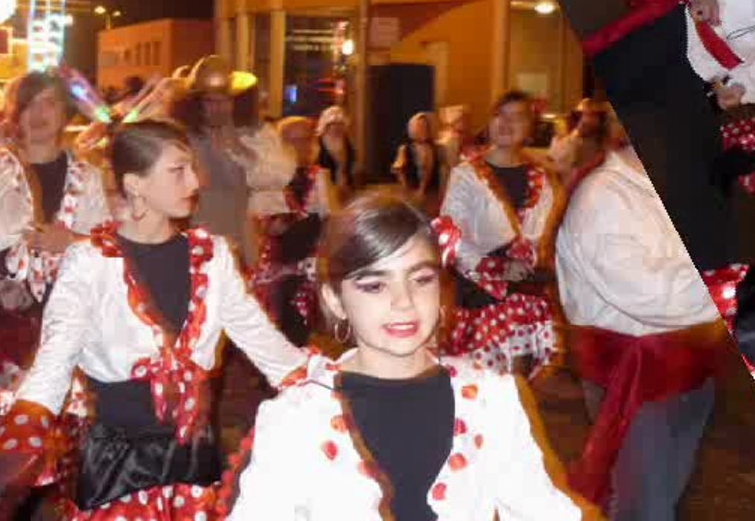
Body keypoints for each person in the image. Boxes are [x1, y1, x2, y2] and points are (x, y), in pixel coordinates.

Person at [0, 120, 307, 521]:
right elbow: (51, 369)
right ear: (135, 184)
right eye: (177, 170)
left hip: (194, 471)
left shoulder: (213, 257)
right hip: (118, 476)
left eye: (192, 168)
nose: (195, 181)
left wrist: (344, 385)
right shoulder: (90, 263)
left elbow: (269, 348)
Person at [222, 193, 590, 521]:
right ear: (336, 299)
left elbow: (541, 508)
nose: (404, 302)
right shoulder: (297, 418)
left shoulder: (491, 399)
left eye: (421, 279)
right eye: (375, 285)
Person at [555, 121, 728, 519]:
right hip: (636, 378)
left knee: (663, 494)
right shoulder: (602, 196)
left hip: (690, 369)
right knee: (644, 507)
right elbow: (649, 293)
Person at [0, 71, 111, 485]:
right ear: (15, 114)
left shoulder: (89, 177)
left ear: (65, 113)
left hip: (70, 322)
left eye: (50, 103)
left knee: (67, 433)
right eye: (30, 103)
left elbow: (110, 247)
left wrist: (72, 240)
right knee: (6, 440)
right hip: (10, 323)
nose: (39, 113)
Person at [439, 90, 562, 378]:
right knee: (482, 384)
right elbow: (450, 235)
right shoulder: (466, 175)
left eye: (517, 117)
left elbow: (537, 238)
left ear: (530, 128)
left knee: (519, 385)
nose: (506, 123)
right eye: (500, 114)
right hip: (479, 295)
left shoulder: (541, 179)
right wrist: (497, 267)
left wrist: (531, 264)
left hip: (524, 296)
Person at [251, 116, 334, 345]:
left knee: (297, 328)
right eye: (292, 140)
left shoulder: (317, 177)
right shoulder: (264, 177)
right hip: (267, 266)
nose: (300, 146)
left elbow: (329, 222)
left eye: (305, 139)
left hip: (302, 267)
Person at [173, 55, 257, 266]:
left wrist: (250, 259)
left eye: (225, 100)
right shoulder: (183, 141)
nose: (219, 107)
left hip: (234, 247)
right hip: (197, 249)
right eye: (210, 101)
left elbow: (243, 203)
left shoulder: (242, 139)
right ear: (196, 104)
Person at [392, 112, 441, 216]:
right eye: (419, 127)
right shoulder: (405, 149)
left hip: (431, 194)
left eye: (424, 126)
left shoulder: (434, 148)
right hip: (411, 193)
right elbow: (398, 169)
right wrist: (407, 189)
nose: (422, 130)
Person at [316, 105, 356, 204]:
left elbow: (349, 165)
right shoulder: (317, 143)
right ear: (326, 126)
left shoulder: (346, 142)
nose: (337, 127)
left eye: (340, 124)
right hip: (323, 190)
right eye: (333, 124)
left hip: (345, 189)